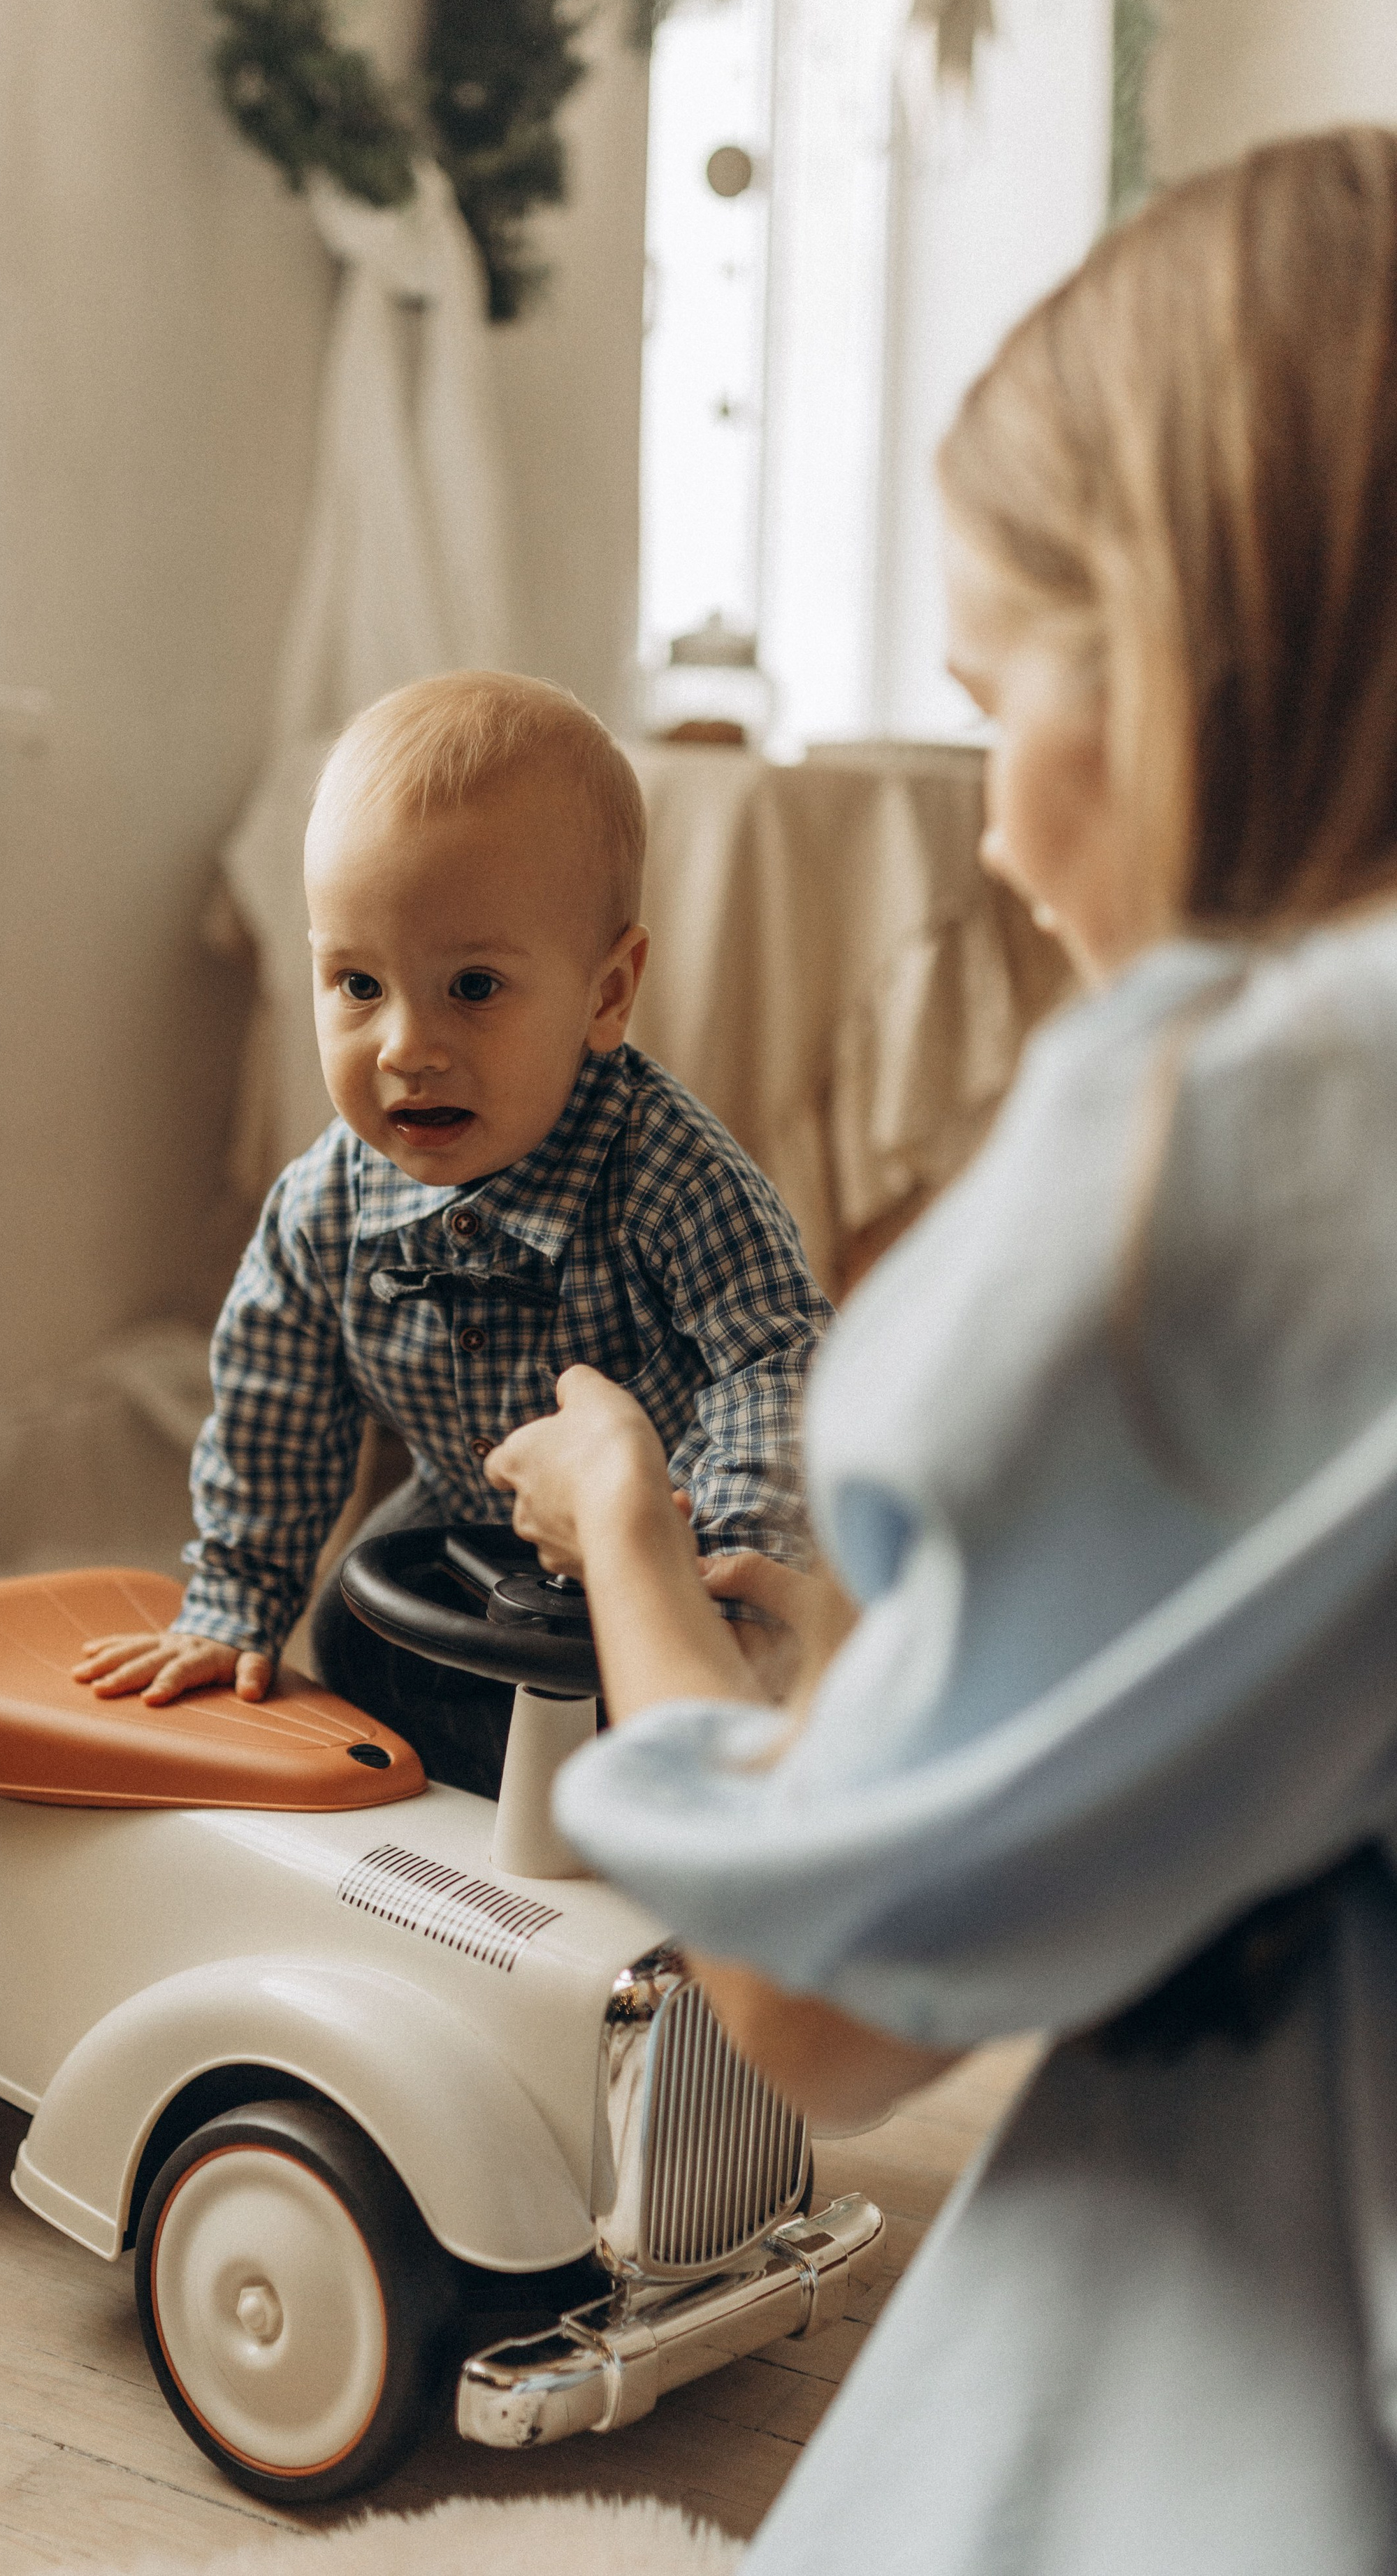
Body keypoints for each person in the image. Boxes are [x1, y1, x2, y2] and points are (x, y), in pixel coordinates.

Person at [488, 128, 1397, 2570]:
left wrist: (634, 1555)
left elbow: (813, 1994)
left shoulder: (1241, 1144)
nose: (998, 835)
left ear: (1205, 644)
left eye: (1006, 703)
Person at [74, 670, 831, 1796]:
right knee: (349, 1632)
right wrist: (236, 1601)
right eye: (358, 983)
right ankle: (444, 1833)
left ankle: (628, 1823)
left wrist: (733, 1558)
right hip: (463, 1519)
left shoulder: (665, 1170)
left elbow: (771, 1358)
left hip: (654, 1541)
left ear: (606, 993)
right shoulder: (324, 1205)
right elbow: (275, 1410)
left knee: (707, 1718)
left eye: (473, 986)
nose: (405, 1047)